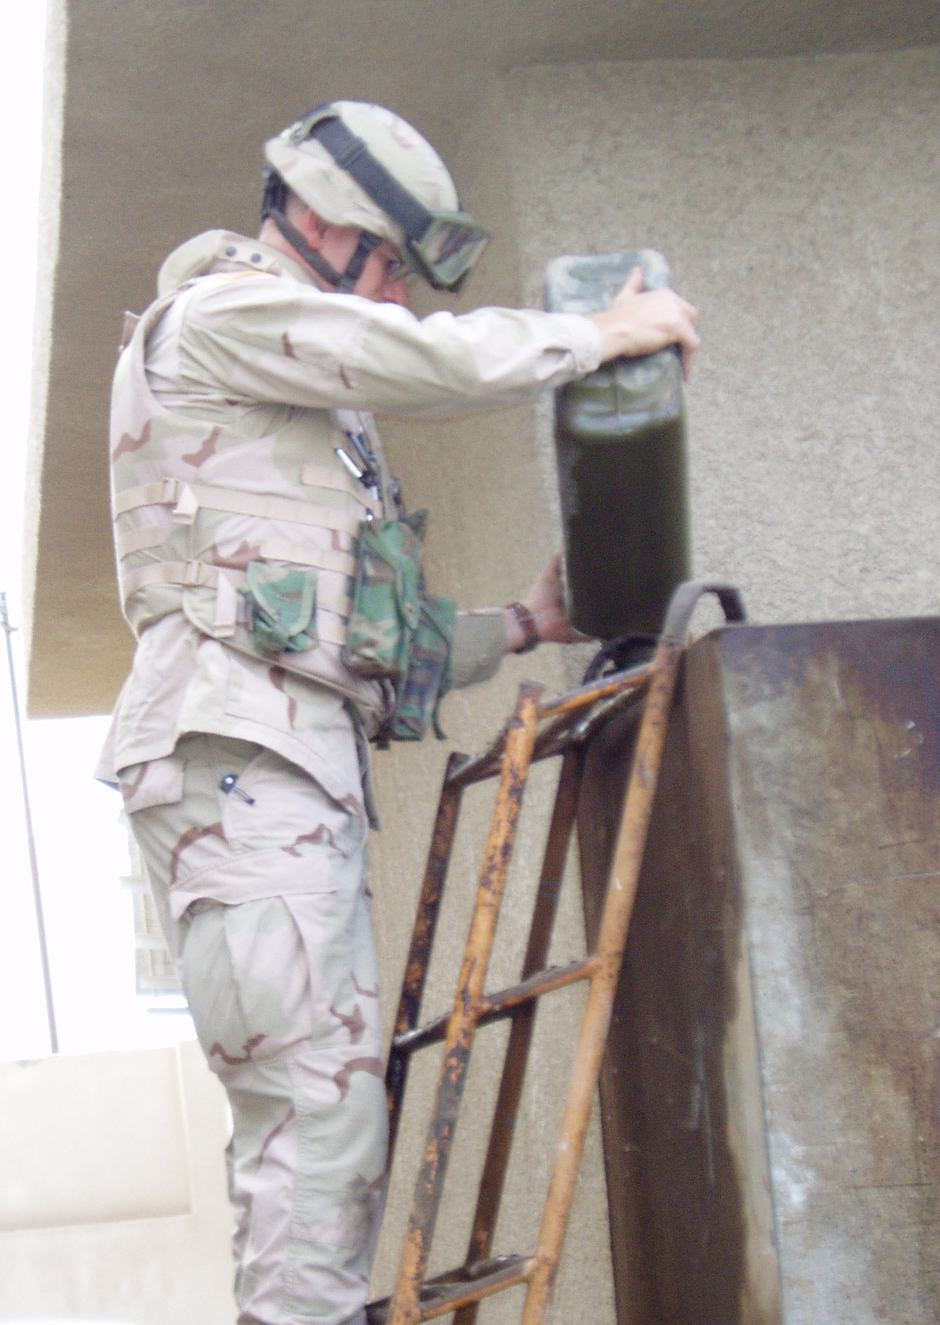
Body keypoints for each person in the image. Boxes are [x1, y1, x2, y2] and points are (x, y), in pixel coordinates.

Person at [97, 100, 699, 1325]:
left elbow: (375, 638)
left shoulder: (299, 409)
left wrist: (522, 627)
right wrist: (594, 334)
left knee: (327, 1110)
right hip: (238, 759)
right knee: (314, 1113)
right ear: (316, 219)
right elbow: (413, 358)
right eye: (383, 263)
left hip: (279, 761)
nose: (395, 298)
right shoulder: (226, 316)